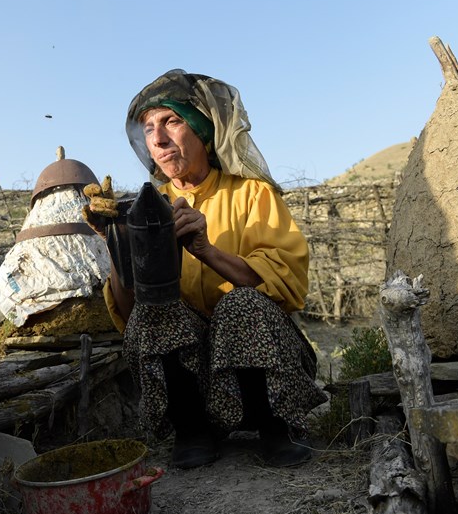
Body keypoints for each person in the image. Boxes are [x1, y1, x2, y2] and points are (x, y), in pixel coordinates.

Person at [84, 69, 326, 469]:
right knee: (157, 310)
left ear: (202, 130)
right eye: (148, 129)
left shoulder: (252, 194)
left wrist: (205, 249)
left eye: (172, 122)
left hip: (267, 371)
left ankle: (273, 428)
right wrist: (117, 242)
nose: (158, 139)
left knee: (240, 304)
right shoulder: (148, 207)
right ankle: (192, 428)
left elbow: (286, 284)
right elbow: (130, 316)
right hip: (198, 382)